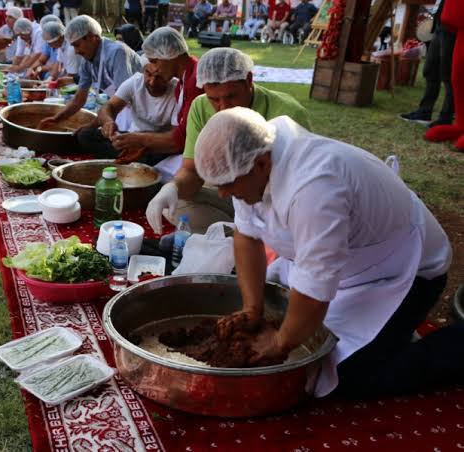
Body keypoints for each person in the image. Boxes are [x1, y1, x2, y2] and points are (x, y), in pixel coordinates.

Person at [194, 106, 461, 398]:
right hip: (342, 262)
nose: (222, 194)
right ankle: (387, 335)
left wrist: (280, 343)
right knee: (292, 325)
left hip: (404, 270)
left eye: (228, 185)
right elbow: (246, 236)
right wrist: (252, 308)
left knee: (348, 375)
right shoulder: (248, 153)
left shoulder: (316, 188)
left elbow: (314, 290)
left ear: (261, 164)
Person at [145, 48, 310, 234]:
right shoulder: (200, 106)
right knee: (174, 207)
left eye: (231, 96)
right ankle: (242, 234)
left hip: (274, 202)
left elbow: (297, 190)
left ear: (249, 80)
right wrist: (172, 187)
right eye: (214, 99)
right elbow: (192, 171)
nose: (223, 107)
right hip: (235, 197)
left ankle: (247, 236)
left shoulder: (289, 114)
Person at [37, 15, 143, 130]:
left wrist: (94, 124)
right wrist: (56, 118)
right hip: (119, 109)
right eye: (73, 47)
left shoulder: (117, 53)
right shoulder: (87, 61)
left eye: (77, 45)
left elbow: (123, 99)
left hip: (139, 109)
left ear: (92, 37)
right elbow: (79, 99)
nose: (76, 51)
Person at [121, 27, 202, 169]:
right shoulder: (182, 84)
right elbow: (177, 134)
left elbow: (181, 140)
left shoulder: (195, 80)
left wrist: (140, 140)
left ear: (169, 55)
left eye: (155, 62)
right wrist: (143, 147)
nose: (155, 69)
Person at [76, 63, 178, 164]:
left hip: (156, 145)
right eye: (149, 74)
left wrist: (142, 141)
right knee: (86, 134)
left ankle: (125, 160)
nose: (152, 82)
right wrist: (108, 122)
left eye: (159, 77)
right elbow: (109, 106)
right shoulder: (135, 82)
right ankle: (128, 160)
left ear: (169, 76)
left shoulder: (178, 91)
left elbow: (175, 138)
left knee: (155, 157)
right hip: (131, 138)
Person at [400, 0, 455, 129]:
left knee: (448, 75)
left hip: (452, 29)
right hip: (439, 26)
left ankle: (445, 118)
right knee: (430, 70)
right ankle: (424, 111)